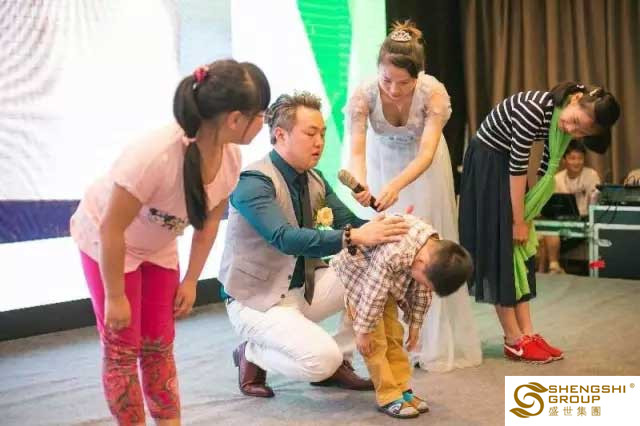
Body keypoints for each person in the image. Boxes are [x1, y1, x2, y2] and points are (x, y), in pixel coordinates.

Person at [69, 59, 270, 425]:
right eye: (261, 115)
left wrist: (191, 279)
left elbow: (208, 223)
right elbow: (111, 228)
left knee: (158, 345)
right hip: (109, 243)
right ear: (234, 119)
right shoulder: (154, 156)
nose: (264, 122)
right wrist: (115, 296)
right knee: (122, 348)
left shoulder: (230, 158)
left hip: (158, 248)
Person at [220, 91, 411, 398]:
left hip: (304, 290)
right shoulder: (253, 182)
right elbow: (285, 238)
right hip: (256, 301)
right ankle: (251, 352)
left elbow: (349, 224)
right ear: (280, 135)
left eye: (322, 134)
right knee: (321, 361)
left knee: (372, 262)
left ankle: (341, 362)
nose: (319, 142)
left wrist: (391, 224)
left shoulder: (315, 179)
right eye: (310, 134)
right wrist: (353, 236)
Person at [346, 20, 481, 372]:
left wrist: (397, 185)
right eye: (386, 79)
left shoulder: (432, 93)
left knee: (427, 249)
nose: (393, 89)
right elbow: (357, 150)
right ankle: (387, 336)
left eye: (403, 83)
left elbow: (426, 153)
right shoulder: (363, 95)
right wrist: (362, 183)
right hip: (381, 165)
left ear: (418, 75)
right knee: (386, 248)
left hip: (424, 170)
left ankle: (428, 340)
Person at [459, 82, 620, 363]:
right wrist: (518, 220)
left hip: (507, 168)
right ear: (576, 99)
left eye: (582, 132)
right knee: (501, 249)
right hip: (488, 166)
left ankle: (528, 333)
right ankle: (513, 339)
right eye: (576, 122)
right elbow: (518, 167)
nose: (572, 131)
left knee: (518, 253)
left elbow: (546, 165)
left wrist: (529, 211)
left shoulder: (559, 115)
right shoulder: (533, 109)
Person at [331, 214, 473, 419]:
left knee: (394, 336)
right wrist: (362, 331)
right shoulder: (395, 253)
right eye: (425, 282)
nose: (425, 287)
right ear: (421, 263)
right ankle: (388, 395)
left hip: (385, 284)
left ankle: (401, 387)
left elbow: (422, 291)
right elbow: (372, 293)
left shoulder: (434, 250)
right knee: (375, 344)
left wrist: (415, 325)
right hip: (360, 281)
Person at [538, 140, 600, 274]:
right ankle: (552, 268)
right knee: (548, 229)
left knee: (547, 234)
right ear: (564, 160)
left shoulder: (591, 175)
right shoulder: (557, 178)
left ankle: (545, 271)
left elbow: (596, 202)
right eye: (572, 158)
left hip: (584, 223)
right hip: (561, 222)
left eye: (580, 158)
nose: (576, 162)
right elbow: (552, 206)